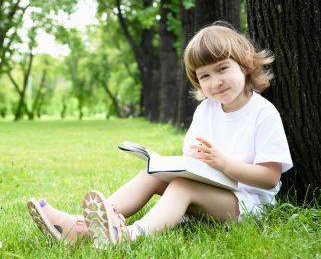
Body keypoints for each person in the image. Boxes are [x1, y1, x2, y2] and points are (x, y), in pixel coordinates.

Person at [27, 22, 293, 248]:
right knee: (150, 174)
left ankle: (127, 236)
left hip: (246, 203)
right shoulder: (206, 110)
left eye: (223, 69)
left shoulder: (262, 113)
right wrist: (186, 163)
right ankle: (83, 227)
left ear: (245, 64)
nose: (216, 81)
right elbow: (193, 156)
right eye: (205, 76)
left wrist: (223, 163)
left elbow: (269, 179)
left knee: (182, 186)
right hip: (211, 187)